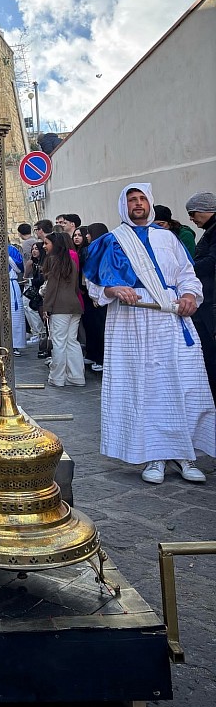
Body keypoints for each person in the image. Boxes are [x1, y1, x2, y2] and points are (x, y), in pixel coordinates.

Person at [83, 184, 215, 484]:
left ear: (150, 203)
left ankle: (184, 455)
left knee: (185, 382)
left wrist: (190, 296)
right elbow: (94, 284)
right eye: (132, 199)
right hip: (131, 321)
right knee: (144, 386)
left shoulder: (168, 238)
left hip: (170, 317)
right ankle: (153, 454)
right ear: (124, 205)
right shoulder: (111, 241)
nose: (138, 203)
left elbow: (187, 275)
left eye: (142, 198)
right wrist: (113, 289)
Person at [41, 231, 85, 387]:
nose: (44, 246)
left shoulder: (54, 261)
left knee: (59, 342)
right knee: (72, 341)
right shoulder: (71, 260)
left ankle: (57, 377)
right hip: (74, 304)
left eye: (47, 243)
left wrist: (47, 306)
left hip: (60, 306)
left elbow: (52, 287)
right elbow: (75, 286)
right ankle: (77, 376)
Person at [185, 192, 216, 402]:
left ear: (206, 210)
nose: (191, 218)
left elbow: (212, 262)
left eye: (193, 213)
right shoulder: (209, 231)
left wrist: (187, 270)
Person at [81, 223, 109, 373]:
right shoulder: (93, 249)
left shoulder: (102, 250)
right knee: (92, 326)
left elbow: (97, 275)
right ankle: (94, 354)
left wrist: (97, 295)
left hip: (102, 294)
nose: (86, 236)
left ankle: (102, 359)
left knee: (101, 328)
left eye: (89, 233)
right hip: (93, 295)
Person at [8, 244, 27, 355]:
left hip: (11, 284)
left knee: (15, 316)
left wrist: (7, 257)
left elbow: (20, 268)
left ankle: (15, 344)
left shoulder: (11, 249)